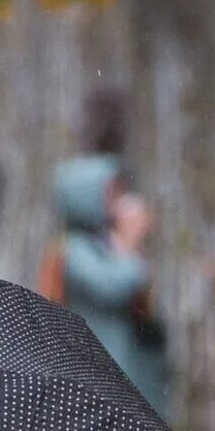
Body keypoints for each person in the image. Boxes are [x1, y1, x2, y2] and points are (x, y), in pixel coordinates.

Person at [45, 156, 166, 415]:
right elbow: (114, 285)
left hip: (126, 366)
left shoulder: (103, 244)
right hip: (102, 367)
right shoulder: (75, 251)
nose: (119, 202)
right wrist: (129, 244)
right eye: (111, 193)